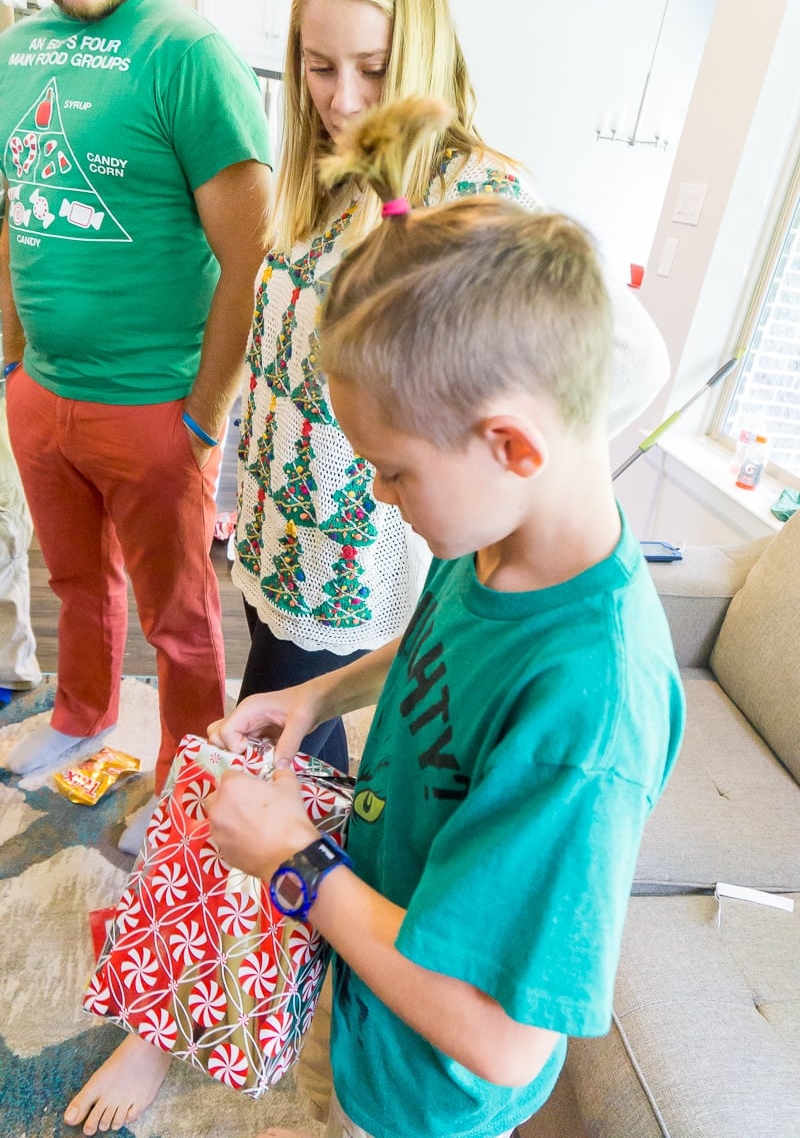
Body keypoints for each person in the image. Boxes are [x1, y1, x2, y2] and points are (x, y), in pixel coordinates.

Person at [63, 98, 684, 1138]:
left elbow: (501, 1039)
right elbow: (438, 648)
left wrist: (297, 864)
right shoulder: (499, 540)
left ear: (510, 445)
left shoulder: (588, 713)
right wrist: (316, 692)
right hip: (363, 971)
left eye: (393, 472)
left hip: (418, 1098)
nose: (382, 499)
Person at [230, 0, 670, 776]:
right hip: (273, 539)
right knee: (298, 770)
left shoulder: (476, 195)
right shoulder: (330, 179)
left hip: (344, 564)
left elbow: (632, 356)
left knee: (275, 770)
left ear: (422, 47)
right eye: (319, 67)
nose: (344, 100)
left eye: (373, 66)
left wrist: (506, 486)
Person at [0, 0, 272, 852]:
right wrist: (10, 361)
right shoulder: (16, 48)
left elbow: (249, 257)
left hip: (156, 409)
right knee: (76, 583)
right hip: (41, 396)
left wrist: (203, 417)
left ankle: (188, 780)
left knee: (182, 623)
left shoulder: (190, 56)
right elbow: (15, 204)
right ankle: (82, 712)